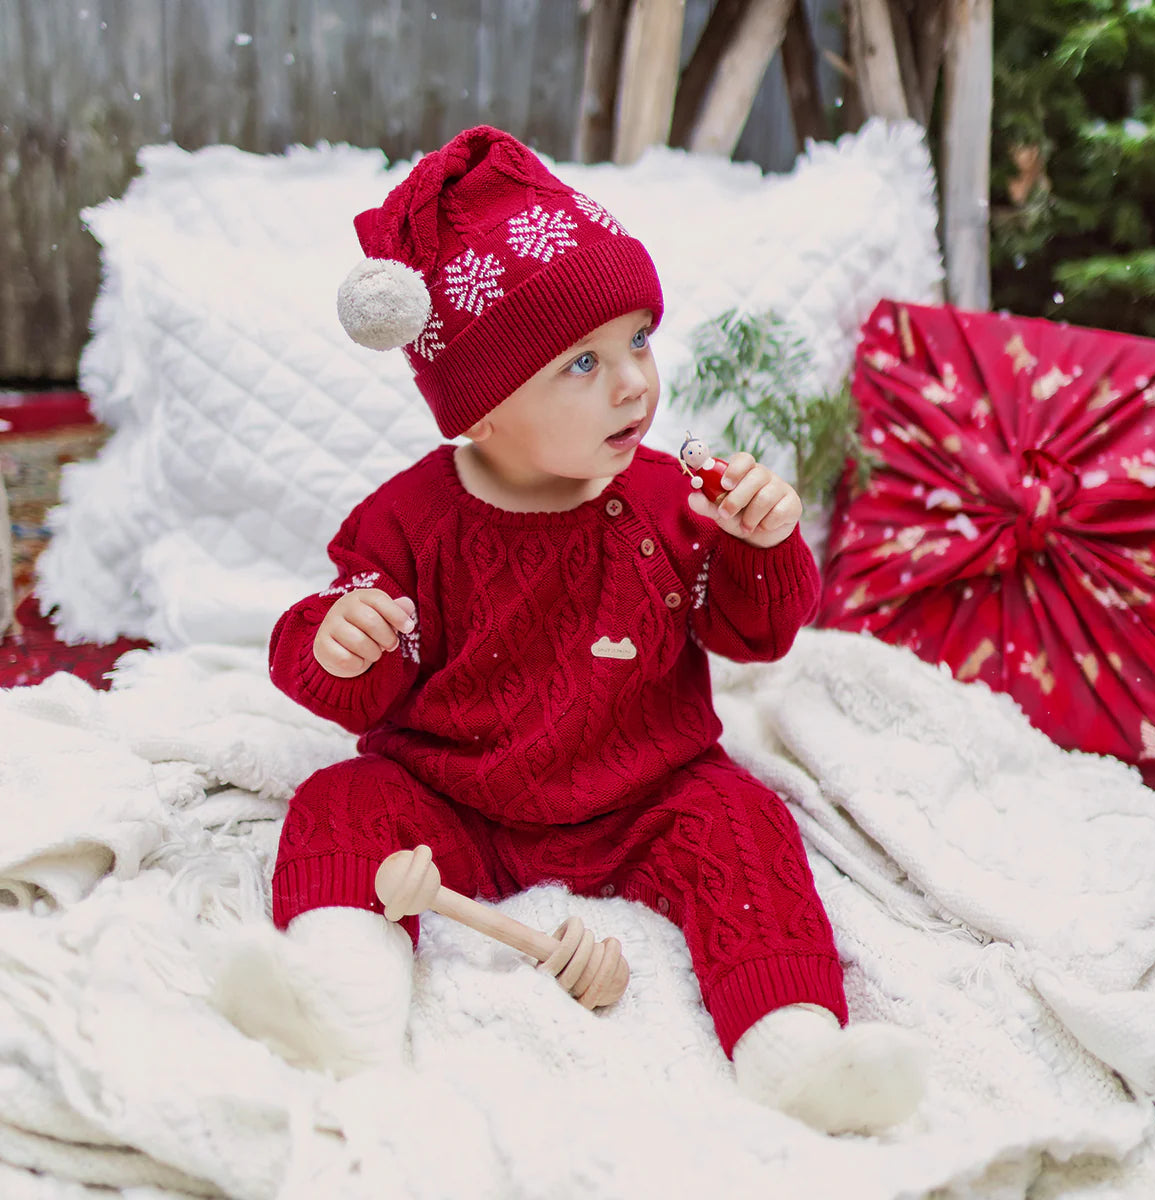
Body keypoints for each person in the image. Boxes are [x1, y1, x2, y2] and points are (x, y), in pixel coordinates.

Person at [249, 125, 925, 1135]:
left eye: (640, 340)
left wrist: (761, 545)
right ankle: (344, 1003)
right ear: (479, 413)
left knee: (744, 828)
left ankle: (791, 1048)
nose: (634, 384)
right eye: (583, 362)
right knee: (342, 803)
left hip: (647, 794)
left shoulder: (669, 499)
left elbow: (757, 635)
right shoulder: (409, 522)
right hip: (455, 797)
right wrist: (341, 639)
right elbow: (349, 676)